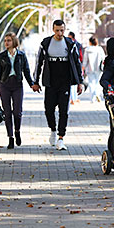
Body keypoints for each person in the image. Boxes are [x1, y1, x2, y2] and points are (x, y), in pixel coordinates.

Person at [32, 20, 84, 151]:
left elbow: (77, 63)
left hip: (65, 80)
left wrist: (80, 82)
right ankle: (53, 130)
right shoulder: (46, 43)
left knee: (63, 111)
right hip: (51, 80)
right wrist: (36, 81)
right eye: (57, 30)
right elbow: (39, 63)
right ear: (53, 30)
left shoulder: (70, 44)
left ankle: (61, 138)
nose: (60, 33)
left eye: (62, 30)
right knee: (49, 109)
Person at [0, 32, 34, 149]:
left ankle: (17, 131)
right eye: (5, 40)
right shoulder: (2, 56)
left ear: (14, 42)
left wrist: (31, 84)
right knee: (7, 113)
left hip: (17, 86)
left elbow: (26, 71)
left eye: (9, 40)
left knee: (17, 112)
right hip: (4, 86)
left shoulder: (21, 55)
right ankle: (10, 138)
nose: (6, 42)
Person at [82, 36, 105, 102]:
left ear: (90, 42)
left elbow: (85, 60)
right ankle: (97, 94)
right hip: (99, 68)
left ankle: (92, 98)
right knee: (98, 82)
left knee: (91, 83)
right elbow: (103, 58)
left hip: (90, 68)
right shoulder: (99, 49)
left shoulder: (87, 49)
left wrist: (83, 67)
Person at [68, 32, 83, 105]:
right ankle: (73, 98)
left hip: (75, 65)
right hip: (71, 66)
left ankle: (73, 98)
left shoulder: (77, 45)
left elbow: (80, 56)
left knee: (74, 83)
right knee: (72, 83)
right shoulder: (77, 44)